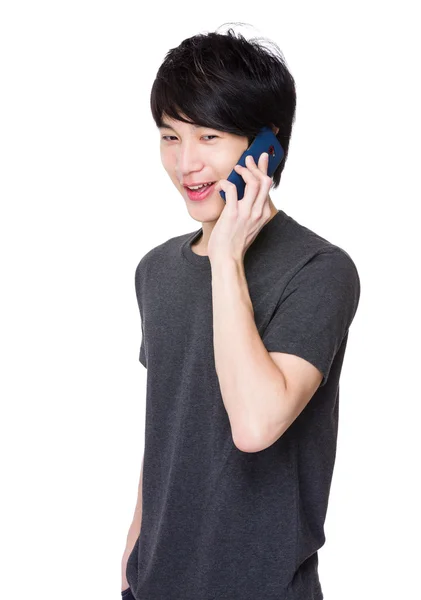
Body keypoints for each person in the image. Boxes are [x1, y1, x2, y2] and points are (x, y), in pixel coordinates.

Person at [121, 24, 361, 600]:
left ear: (265, 146)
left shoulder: (320, 270)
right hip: (153, 585)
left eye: (208, 136)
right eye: (169, 137)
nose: (185, 164)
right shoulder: (156, 270)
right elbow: (172, 432)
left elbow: (255, 425)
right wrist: (132, 555)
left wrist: (226, 258)